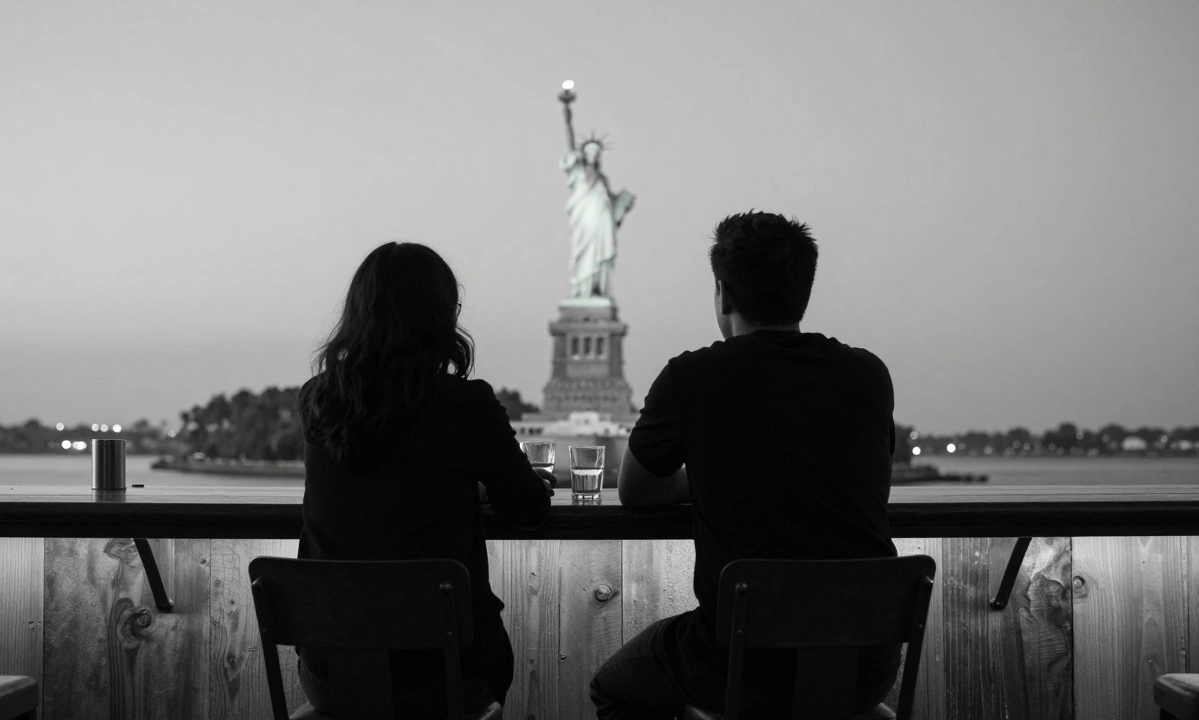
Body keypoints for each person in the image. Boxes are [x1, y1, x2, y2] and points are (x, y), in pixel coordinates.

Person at [589, 212, 901, 718]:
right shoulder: (869, 375)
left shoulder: (691, 377)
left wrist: (714, 474)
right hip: (866, 668)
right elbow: (862, 478)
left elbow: (636, 491)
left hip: (745, 669)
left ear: (724, 294)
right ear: (803, 292)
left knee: (613, 688)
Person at [296, 241, 554, 716]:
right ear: (441, 317)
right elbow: (528, 510)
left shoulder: (318, 399)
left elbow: (380, 481)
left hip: (333, 677)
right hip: (447, 679)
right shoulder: (465, 405)